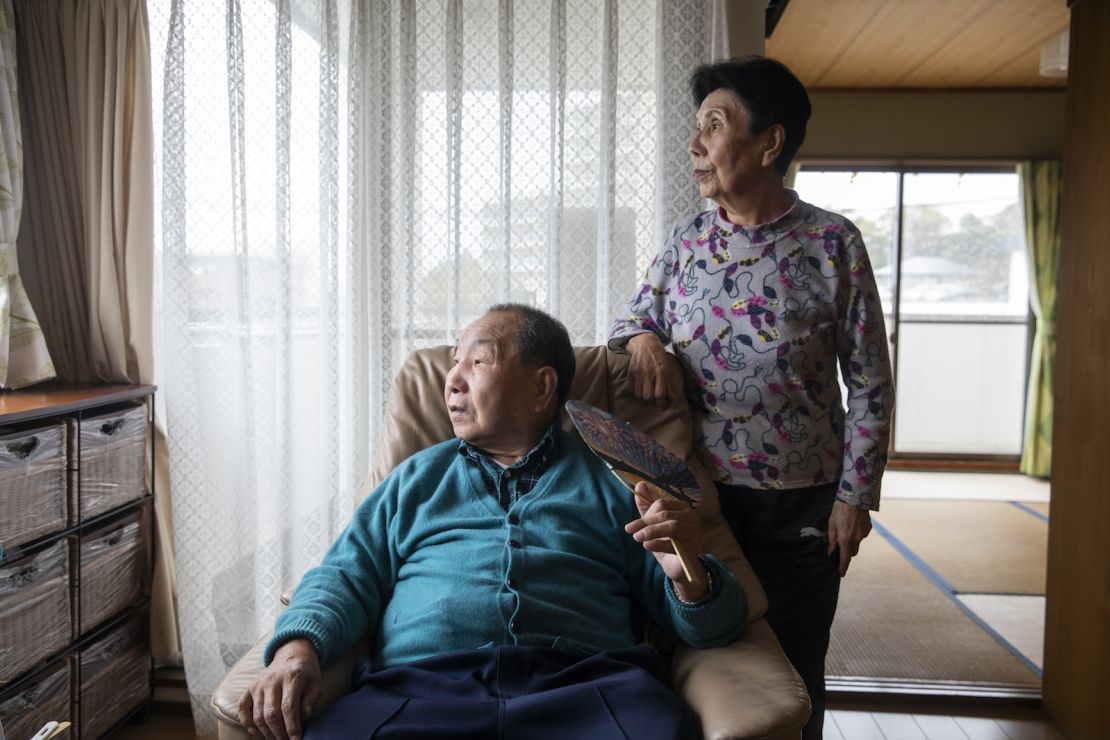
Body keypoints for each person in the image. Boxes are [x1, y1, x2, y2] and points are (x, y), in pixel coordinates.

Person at [239, 304, 747, 740]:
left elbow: (712, 628)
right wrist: (295, 650)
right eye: (454, 362)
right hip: (419, 691)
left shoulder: (618, 481)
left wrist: (690, 578)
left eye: (477, 361)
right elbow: (344, 576)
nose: (452, 380)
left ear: (541, 387)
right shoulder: (416, 477)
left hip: (586, 690)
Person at [608, 56, 894, 740]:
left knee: (792, 672)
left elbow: (871, 379)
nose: (695, 144)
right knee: (693, 651)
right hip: (696, 496)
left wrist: (856, 497)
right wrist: (644, 341)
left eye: (715, 124)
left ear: (770, 142)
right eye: (696, 127)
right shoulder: (685, 239)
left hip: (802, 502)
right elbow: (629, 319)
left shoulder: (832, 242)